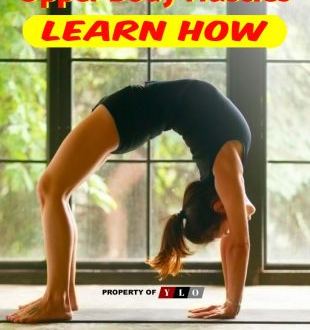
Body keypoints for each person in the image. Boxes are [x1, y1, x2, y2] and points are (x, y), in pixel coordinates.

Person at [6, 79, 255, 323]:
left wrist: (230, 302)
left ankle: (59, 297)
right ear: (219, 206)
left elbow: (234, 241)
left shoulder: (224, 179)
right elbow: (238, 244)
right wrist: (233, 306)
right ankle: (59, 297)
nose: (232, 228)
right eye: (225, 228)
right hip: (130, 113)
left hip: (134, 112)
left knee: (52, 190)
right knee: (52, 190)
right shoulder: (226, 170)